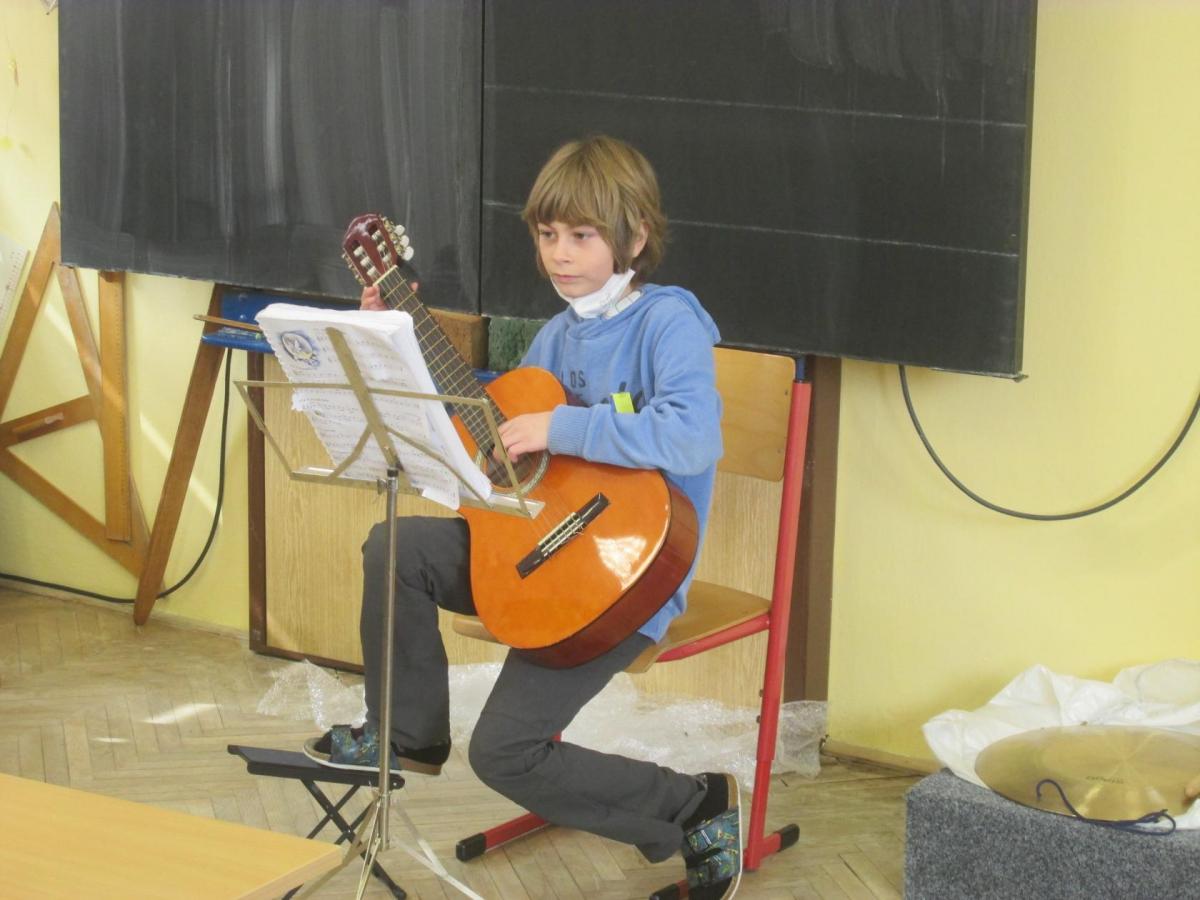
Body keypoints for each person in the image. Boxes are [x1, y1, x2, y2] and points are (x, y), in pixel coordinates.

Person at [306, 135, 740, 898]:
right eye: (547, 235)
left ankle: (691, 802)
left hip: (624, 579)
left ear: (635, 237)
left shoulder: (667, 322)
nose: (560, 254)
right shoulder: (554, 338)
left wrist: (562, 427)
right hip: (539, 553)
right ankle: (407, 733)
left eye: (582, 235)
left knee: (503, 753)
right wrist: (393, 340)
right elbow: (496, 447)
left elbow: (691, 435)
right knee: (396, 546)